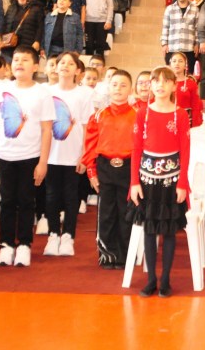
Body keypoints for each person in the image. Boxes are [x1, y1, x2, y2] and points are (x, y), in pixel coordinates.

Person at [0, 46, 54, 268]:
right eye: (16, 60)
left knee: (26, 201)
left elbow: (46, 130)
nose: (19, 64)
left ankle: (24, 244)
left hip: (30, 156)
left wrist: (43, 162)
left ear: (35, 66)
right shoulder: (2, 90)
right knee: (7, 201)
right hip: (5, 155)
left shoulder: (42, 93)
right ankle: (6, 245)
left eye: (25, 60)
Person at [131, 66, 190, 297]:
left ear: (174, 86)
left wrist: (183, 183)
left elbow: (185, 150)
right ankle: (151, 279)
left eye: (166, 81)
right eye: (156, 81)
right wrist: (134, 182)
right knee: (149, 229)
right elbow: (136, 149)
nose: (160, 85)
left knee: (169, 231)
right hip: (147, 181)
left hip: (171, 181)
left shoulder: (180, 114)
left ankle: (165, 279)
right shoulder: (142, 113)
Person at [82, 70, 136, 268]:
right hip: (105, 167)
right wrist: (91, 171)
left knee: (126, 212)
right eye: (114, 84)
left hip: (129, 168)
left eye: (123, 85)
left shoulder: (138, 116)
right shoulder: (98, 116)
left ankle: (126, 255)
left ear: (131, 89)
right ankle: (107, 254)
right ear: (108, 88)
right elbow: (90, 145)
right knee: (106, 213)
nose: (118, 89)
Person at [161, 0, 199, 68]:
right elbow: (165, 28)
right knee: (171, 74)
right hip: (172, 48)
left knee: (188, 73)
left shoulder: (195, 9)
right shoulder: (169, 9)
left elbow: (197, 28)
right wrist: (164, 44)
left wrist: (197, 44)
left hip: (189, 49)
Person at [168, 52, 203, 128]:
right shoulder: (165, 83)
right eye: (174, 61)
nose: (177, 63)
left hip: (185, 121)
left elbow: (196, 105)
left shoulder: (191, 84)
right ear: (170, 64)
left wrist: (195, 125)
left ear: (185, 65)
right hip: (167, 120)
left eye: (180, 61)